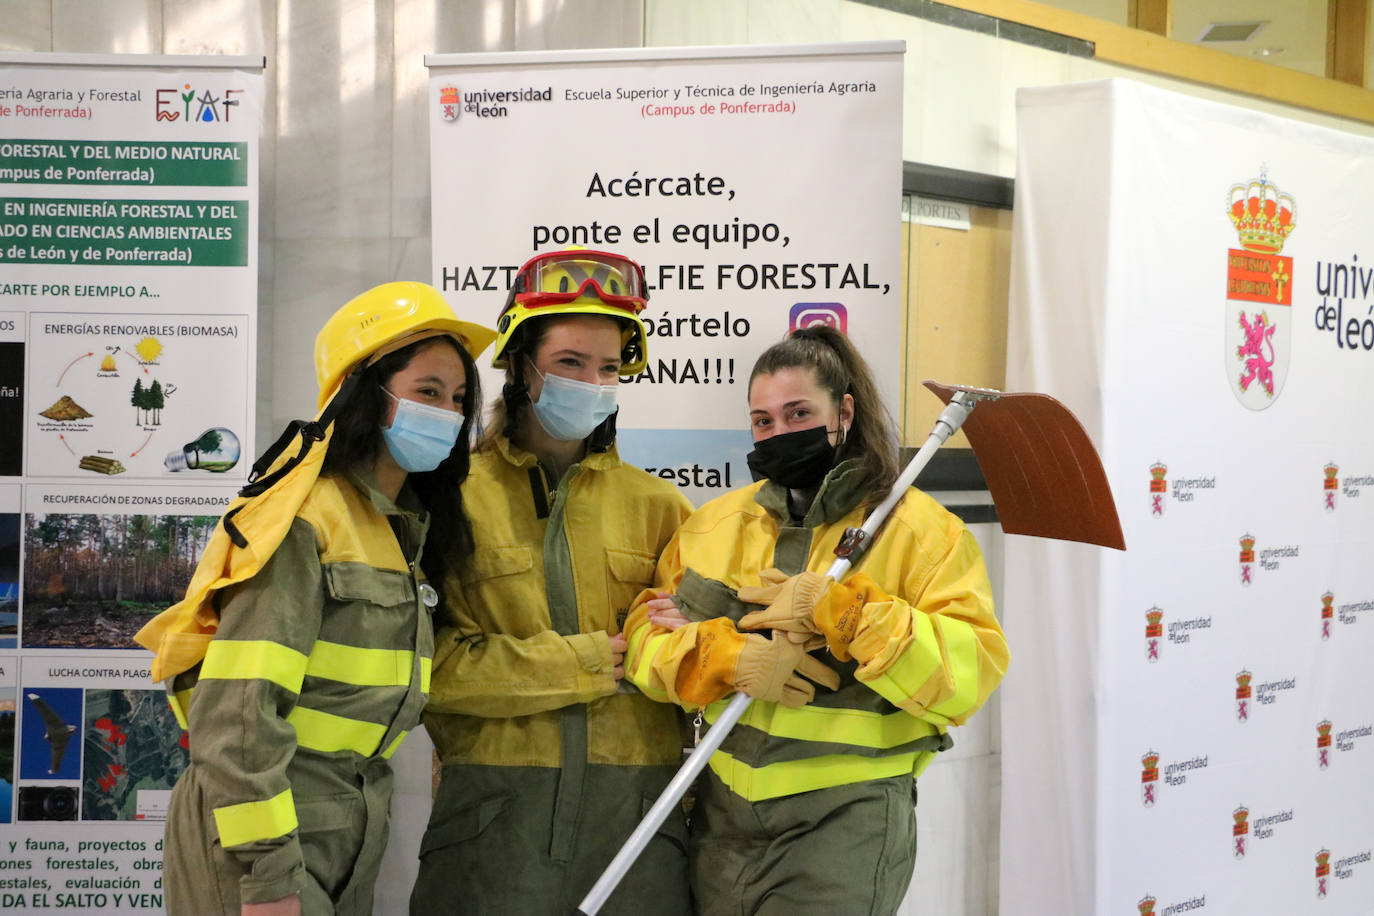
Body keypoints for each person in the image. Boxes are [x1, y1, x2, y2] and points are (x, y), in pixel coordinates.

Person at [623, 325, 1010, 915]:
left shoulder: (923, 536)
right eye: (763, 421)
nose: (779, 433)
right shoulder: (712, 526)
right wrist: (719, 657)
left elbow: (968, 676)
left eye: (798, 413)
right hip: (718, 822)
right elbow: (643, 642)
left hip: (845, 826)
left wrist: (852, 614)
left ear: (845, 412)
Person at [135, 282, 495, 915]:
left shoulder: (399, 525)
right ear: (364, 394)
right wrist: (268, 873)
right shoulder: (303, 517)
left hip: (346, 820)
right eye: (427, 392)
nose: (447, 413)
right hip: (259, 831)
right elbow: (238, 716)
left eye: (460, 399)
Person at [412, 248, 694, 915]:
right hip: (492, 831)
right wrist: (590, 660)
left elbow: (688, 664)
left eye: (608, 367)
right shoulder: (450, 498)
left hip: (638, 828)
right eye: (570, 363)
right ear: (520, 367)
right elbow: (427, 671)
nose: (592, 382)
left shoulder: (661, 509)